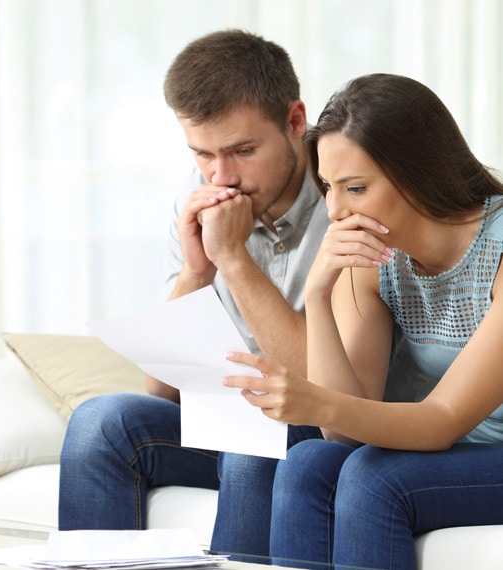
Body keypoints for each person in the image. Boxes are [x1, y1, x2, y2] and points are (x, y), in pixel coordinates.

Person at [219, 73, 503, 570]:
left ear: (418, 172)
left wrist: (314, 400)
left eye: (355, 188)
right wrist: (319, 293)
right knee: (309, 461)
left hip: (469, 444)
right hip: (459, 449)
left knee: (375, 477)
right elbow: (344, 433)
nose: (335, 210)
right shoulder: (375, 257)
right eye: (328, 187)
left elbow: (441, 420)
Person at [58, 29, 328, 534]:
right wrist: (197, 270)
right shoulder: (198, 197)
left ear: (295, 121)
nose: (221, 177)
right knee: (101, 421)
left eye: (242, 150)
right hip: (223, 424)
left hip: (311, 423)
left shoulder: (347, 195)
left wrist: (233, 260)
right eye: (202, 154)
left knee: (256, 443)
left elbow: (327, 385)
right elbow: (160, 392)